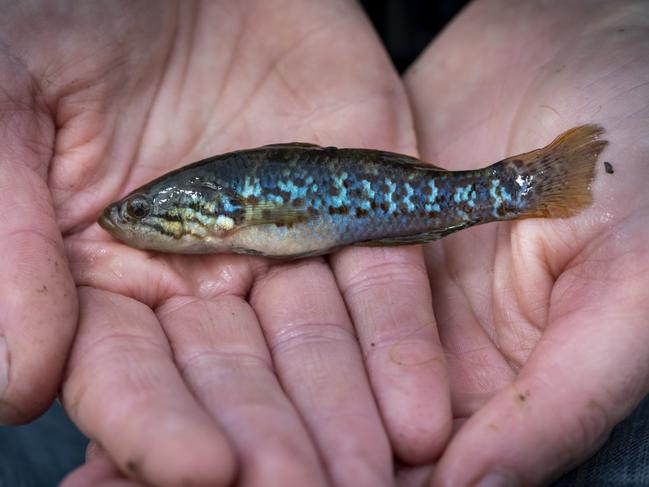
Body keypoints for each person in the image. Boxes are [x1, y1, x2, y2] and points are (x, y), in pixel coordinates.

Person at [0, 0, 647, 486]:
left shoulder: (236, 218)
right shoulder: (217, 214)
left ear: (208, 213)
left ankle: (523, 186)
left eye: (141, 212)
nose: (129, 218)